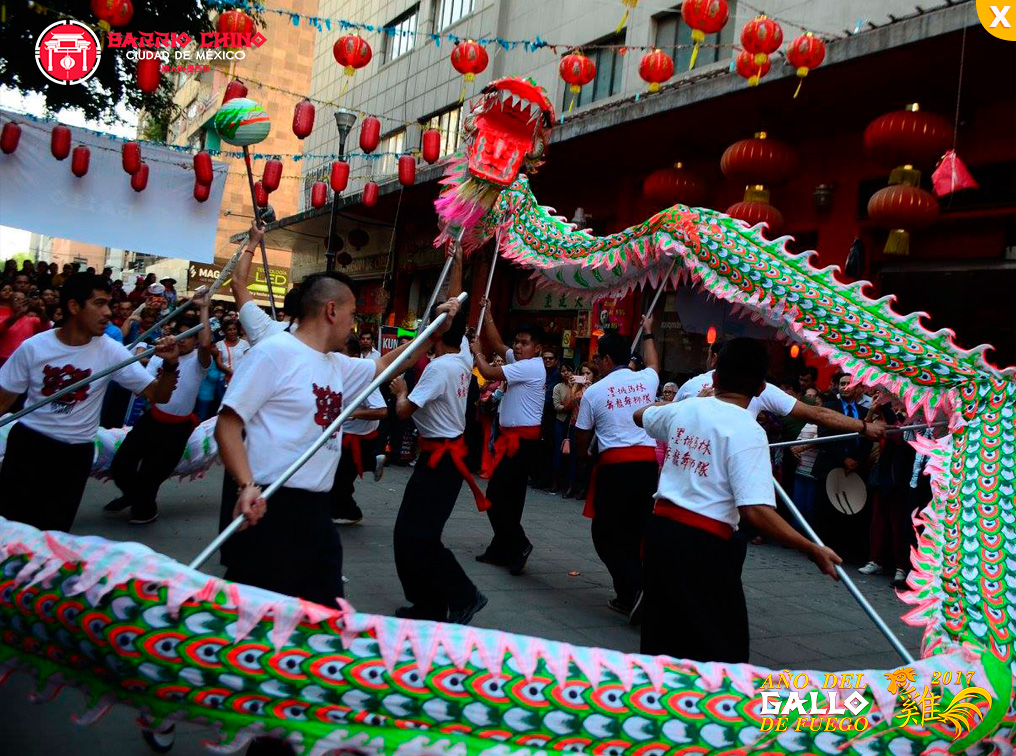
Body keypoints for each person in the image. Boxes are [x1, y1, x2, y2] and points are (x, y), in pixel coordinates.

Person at [214, 273, 460, 603]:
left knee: (326, 613)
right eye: (353, 314)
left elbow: (389, 363)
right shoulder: (273, 353)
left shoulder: (336, 364)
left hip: (317, 509)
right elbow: (228, 423)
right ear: (332, 310)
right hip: (271, 502)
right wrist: (245, 486)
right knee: (257, 617)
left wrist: (433, 333)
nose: (353, 324)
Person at [634, 338, 842, 662]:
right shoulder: (748, 430)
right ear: (760, 388)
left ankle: (661, 705)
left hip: (661, 534)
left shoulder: (685, 408)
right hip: (703, 546)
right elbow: (756, 511)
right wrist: (811, 547)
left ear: (714, 378)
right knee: (721, 648)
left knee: (663, 634)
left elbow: (638, 416)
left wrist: (681, 406)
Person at [0, 273, 180, 532]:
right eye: (99, 303)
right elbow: (3, 400)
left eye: (109, 303)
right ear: (74, 306)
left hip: (74, 455)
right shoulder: (34, 347)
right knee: (10, 527)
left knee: (54, 532)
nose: (108, 311)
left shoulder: (110, 350)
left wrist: (171, 364)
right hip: (30, 446)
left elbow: (157, 395)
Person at [390, 297, 488, 623]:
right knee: (411, 534)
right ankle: (427, 604)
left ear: (440, 329)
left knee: (417, 535)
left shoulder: (439, 367)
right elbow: (457, 312)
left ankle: (463, 595)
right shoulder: (460, 358)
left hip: (440, 461)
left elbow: (405, 410)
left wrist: (401, 390)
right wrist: (456, 261)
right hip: (444, 458)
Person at [574, 318, 660, 621]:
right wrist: (648, 329)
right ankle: (629, 595)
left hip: (616, 469)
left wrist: (583, 455)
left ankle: (636, 589)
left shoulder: (595, 392)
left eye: (598, 357)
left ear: (607, 359)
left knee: (606, 535)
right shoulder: (648, 380)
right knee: (636, 532)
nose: (596, 362)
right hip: (648, 468)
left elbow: (581, 436)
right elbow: (653, 362)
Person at [105, 293, 212, 524]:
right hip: (151, 420)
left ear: (194, 340)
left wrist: (204, 308)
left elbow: (205, 343)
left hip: (178, 428)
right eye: (179, 334)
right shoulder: (161, 355)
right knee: (121, 465)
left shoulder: (199, 361)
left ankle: (145, 509)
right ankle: (134, 496)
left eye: (188, 336)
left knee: (151, 475)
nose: (182, 340)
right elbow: (145, 385)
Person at [677, 341, 886, 441]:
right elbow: (817, 414)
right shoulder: (753, 433)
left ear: (715, 370)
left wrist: (690, 406)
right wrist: (863, 426)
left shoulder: (690, 391)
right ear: (760, 387)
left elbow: (646, 414)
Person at [471, 306, 547, 575]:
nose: (518, 346)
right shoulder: (523, 362)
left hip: (522, 443)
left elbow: (489, 372)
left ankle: (519, 543)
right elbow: (500, 345)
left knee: (497, 495)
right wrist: (489, 314)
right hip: (514, 440)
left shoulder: (530, 367)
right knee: (510, 498)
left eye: (525, 343)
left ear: (537, 348)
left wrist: (478, 351)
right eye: (519, 341)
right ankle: (503, 548)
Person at [814, 373, 876, 561]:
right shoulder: (828, 408)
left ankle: (847, 552)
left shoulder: (864, 411)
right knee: (826, 511)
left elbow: (868, 438)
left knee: (851, 509)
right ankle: (822, 550)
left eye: (849, 384)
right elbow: (825, 436)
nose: (845, 387)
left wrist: (857, 459)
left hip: (856, 468)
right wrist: (844, 459)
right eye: (842, 384)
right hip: (831, 465)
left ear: (859, 388)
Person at [331, 334, 387, 525]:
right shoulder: (337, 372)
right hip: (343, 433)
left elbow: (381, 410)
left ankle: (350, 512)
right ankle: (372, 462)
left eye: (342, 354)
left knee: (342, 479)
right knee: (339, 474)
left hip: (359, 437)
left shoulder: (364, 377)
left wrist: (352, 412)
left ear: (354, 356)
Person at [534, 348, 561, 490]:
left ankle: (545, 479)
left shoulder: (557, 375)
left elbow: (548, 397)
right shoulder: (540, 373)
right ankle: (537, 477)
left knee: (548, 448)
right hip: (538, 414)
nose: (548, 361)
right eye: (545, 358)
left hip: (550, 416)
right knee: (539, 447)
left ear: (556, 360)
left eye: (550, 358)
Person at [0, 291, 48, 367]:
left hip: (24, 360)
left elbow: (46, 327)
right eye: (17, 299)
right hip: (4, 360)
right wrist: (19, 313)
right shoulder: (3, 317)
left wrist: (40, 310)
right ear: (10, 303)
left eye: (23, 300)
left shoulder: (32, 320)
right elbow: (3, 326)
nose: (20, 302)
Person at [550, 362, 576, 494]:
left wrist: (574, 388)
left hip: (574, 423)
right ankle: (555, 481)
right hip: (561, 421)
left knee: (572, 454)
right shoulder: (558, 387)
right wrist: (570, 392)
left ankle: (569, 483)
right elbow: (559, 406)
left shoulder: (580, 386)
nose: (566, 373)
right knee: (558, 451)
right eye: (564, 371)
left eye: (569, 371)